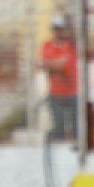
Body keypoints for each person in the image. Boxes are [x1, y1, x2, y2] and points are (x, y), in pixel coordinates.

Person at [39, 14, 77, 142]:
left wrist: (51, 64)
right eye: (55, 29)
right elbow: (42, 64)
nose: (57, 31)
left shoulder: (70, 46)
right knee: (58, 127)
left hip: (72, 91)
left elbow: (63, 64)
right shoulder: (47, 45)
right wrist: (54, 63)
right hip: (55, 92)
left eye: (60, 29)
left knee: (76, 127)